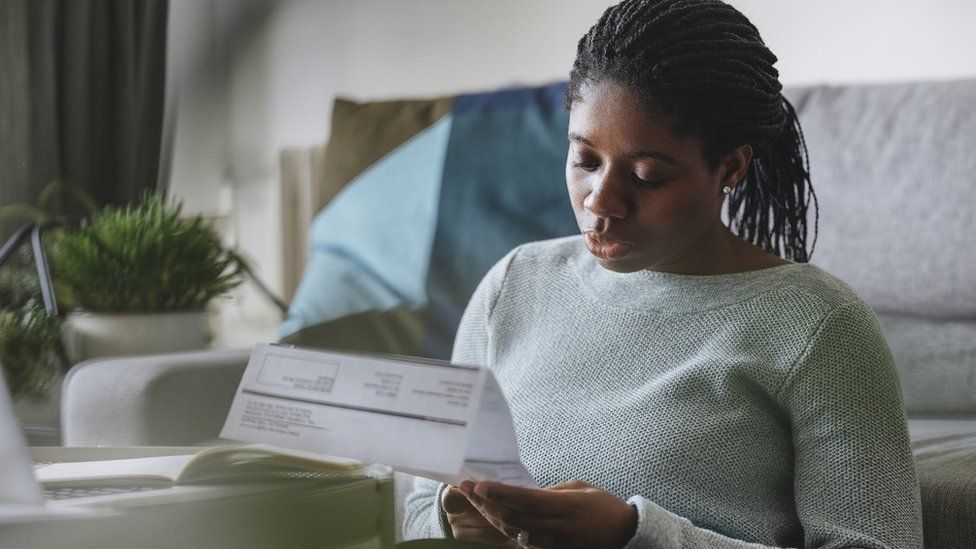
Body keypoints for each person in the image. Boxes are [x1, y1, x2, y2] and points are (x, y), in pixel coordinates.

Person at [403, 0, 923, 547]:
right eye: (585, 160)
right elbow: (417, 503)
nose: (600, 203)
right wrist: (452, 521)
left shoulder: (818, 325)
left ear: (730, 168)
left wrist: (636, 536)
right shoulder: (514, 284)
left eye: (647, 176)